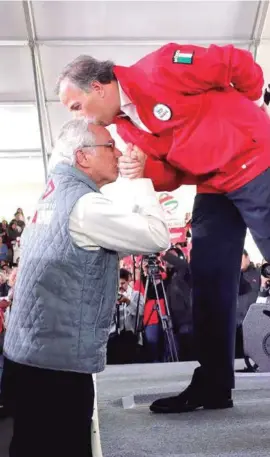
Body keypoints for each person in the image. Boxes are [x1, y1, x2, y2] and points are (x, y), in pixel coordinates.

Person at [57, 43, 270, 414]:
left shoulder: (160, 67)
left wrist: (252, 107)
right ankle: (215, 384)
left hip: (257, 160)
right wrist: (145, 171)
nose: (79, 118)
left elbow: (235, 62)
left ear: (98, 87)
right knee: (208, 281)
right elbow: (171, 176)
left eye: (77, 106)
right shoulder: (127, 129)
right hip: (214, 184)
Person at [1, 118, 170, 457]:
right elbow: (158, 235)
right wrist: (140, 181)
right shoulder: (85, 205)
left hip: (31, 356)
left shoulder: (53, 196)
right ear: (83, 157)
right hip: (58, 370)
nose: (119, 152)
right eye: (110, 146)